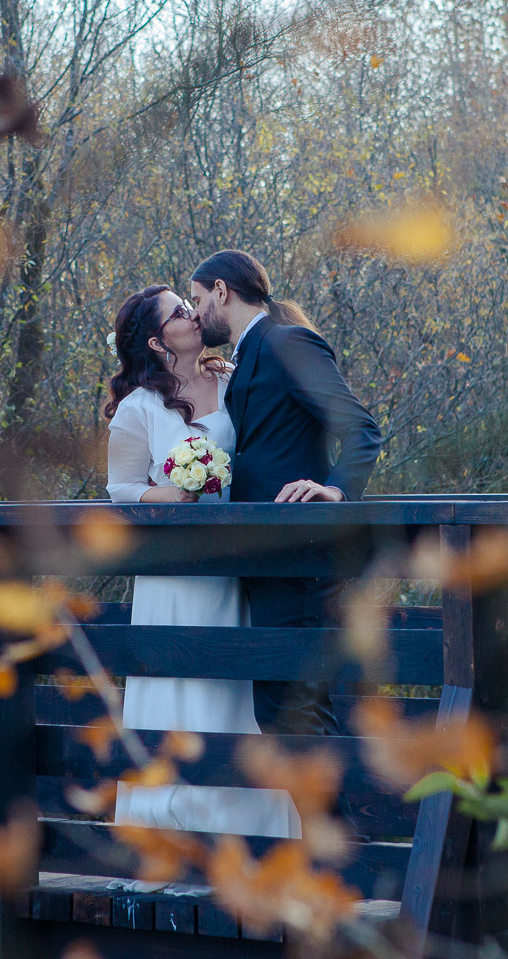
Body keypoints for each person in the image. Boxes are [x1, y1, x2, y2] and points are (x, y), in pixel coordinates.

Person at [101, 284, 300, 841]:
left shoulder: (237, 380)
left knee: (232, 687)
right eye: (180, 312)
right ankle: (170, 833)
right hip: (174, 575)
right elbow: (119, 487)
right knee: (177, 685)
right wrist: (172, 495)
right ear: (157, 341)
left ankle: (247, 832)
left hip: (232, 568)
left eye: (189, 307)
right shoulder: (140, 407)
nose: (194, 315)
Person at [188, 250, 384, 736]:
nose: (194, 313)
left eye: (196, 299)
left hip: (301, 556)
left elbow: (362, 429)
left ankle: (336, 815)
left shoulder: (289, 341)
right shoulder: (253, 352)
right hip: (269, 558)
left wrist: (336, 492)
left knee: (292, 714)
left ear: (221, 291)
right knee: (284, 711)